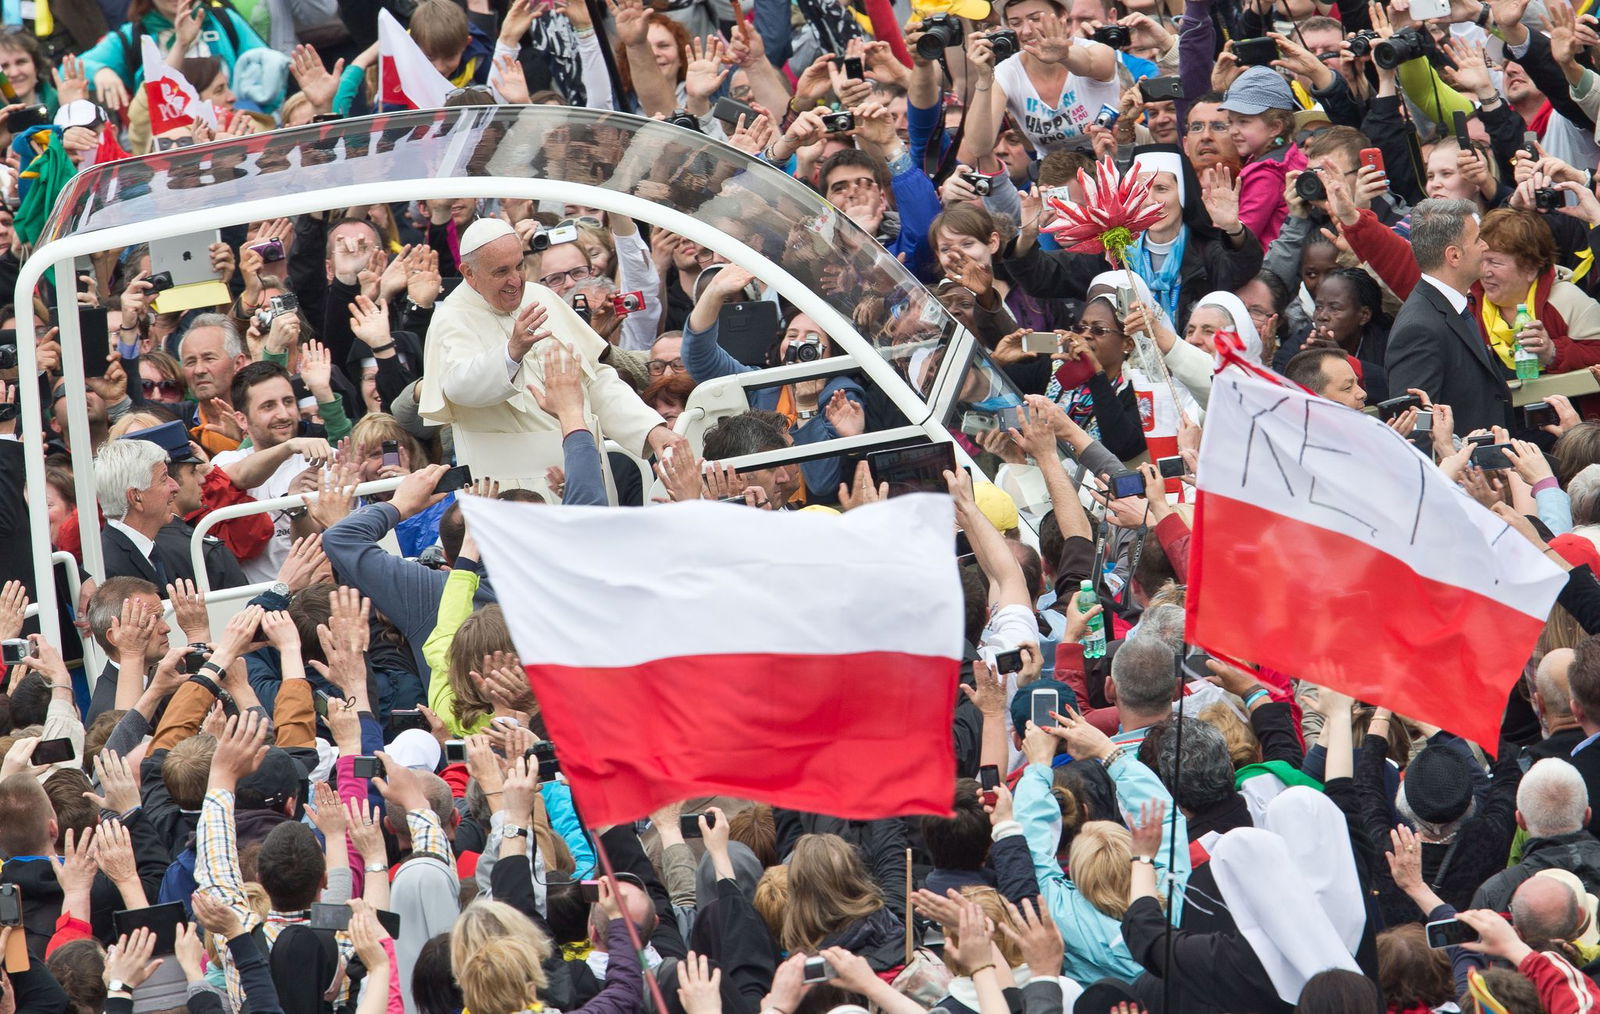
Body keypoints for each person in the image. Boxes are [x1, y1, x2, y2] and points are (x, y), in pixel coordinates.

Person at [417, 218, 676, 496]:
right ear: (469, 273)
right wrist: (511, 352)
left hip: (584, 469)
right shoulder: (452, 318)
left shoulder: (541, 297)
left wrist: (650, 429)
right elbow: (459, 388)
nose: (515, 280)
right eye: (501, 271)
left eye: (519, 266)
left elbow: (594, 380)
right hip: (511, 490)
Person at [1385, 198, 1512, 437]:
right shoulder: (1418, 329)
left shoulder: (1451, 306)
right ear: (1453, 255)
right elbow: (1417, 427)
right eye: (1477, 240)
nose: (1485, 246)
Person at [1218, 66, 1307, 247]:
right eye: (1230, 122)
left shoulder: (1266, 172)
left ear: (1275, 127)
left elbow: (1245, 236)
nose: (1233, 131)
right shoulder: (1292, 155)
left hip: (1265, 268)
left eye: (1243, 121)